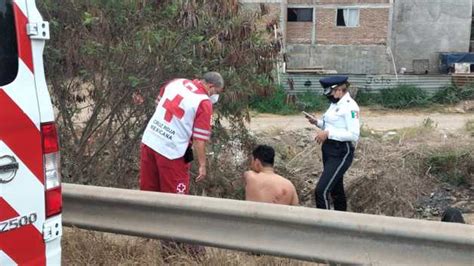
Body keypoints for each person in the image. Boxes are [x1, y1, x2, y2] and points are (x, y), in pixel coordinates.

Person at [140, 72, 224, 194]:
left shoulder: (176, 82)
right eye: (216, 92)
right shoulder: (204, 102)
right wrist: (202, 165)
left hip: (150, 141)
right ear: (210, 86)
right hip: (172, 152)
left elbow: (158, 104)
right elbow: (199, 140)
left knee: (147, 193)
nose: (215, 96)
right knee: (175, 200)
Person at [305, 75, 360, 211]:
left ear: (340, 89)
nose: (329, 95)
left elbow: (353, 134)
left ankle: (325, 226)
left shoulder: (350, 107)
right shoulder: (334, 104)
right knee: (336, 190)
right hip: (328, 149)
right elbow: (331, 125)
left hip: (341, 151)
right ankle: (341, 222)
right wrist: (316, 122)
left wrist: (329, 133)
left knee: (321, 191)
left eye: (330, 92)